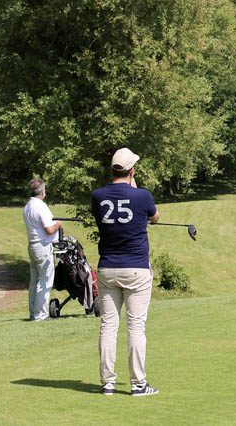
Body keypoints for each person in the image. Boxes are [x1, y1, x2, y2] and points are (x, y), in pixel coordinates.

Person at [91, 148, 160, 397]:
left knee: (108, 326)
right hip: (136, 269)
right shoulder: (142, 195)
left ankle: (107, 383)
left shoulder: (97, 196)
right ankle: (138, 384)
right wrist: (135, 186)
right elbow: (155, 217)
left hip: (108, 268)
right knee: (135, 327)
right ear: (132, 171)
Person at [23, 178, 63, 321]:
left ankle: (33, 313)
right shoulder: (40, 206)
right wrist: (58, 225)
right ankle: (41, 315)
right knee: (44, 281)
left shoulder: (28, 206)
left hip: (33, 245)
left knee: (34, 281)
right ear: (42, 191)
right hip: (42, 246)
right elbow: (48, 229)